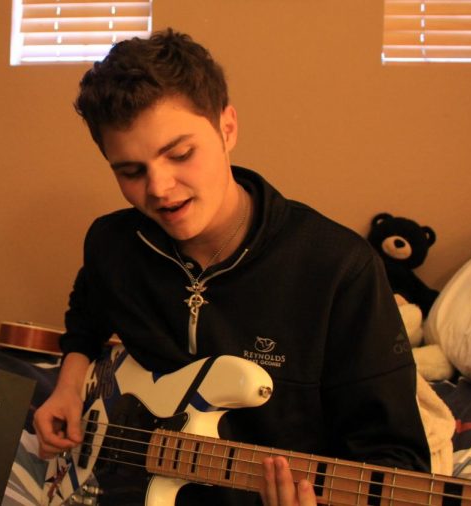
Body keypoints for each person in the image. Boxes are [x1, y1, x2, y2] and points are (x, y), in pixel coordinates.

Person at [32, 28, 431, 506]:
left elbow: (396, 460)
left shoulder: (340, 269)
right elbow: (87, 319)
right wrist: (69, 387)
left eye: (180, 154)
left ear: (227, 128)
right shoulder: (112, 242)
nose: (159, 189)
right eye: (130, 171)